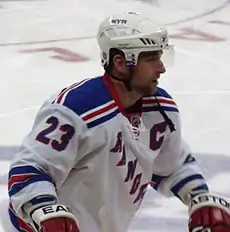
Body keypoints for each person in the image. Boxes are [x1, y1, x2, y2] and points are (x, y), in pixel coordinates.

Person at [8, 12, 230, 232]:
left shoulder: (161, 109)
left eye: (160, 57)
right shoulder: (76, 110)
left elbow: (173, 165)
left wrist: (199, 196)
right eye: (151, 58)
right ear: (121, 63)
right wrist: (46, 212)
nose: (161, 67)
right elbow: (29, 170)